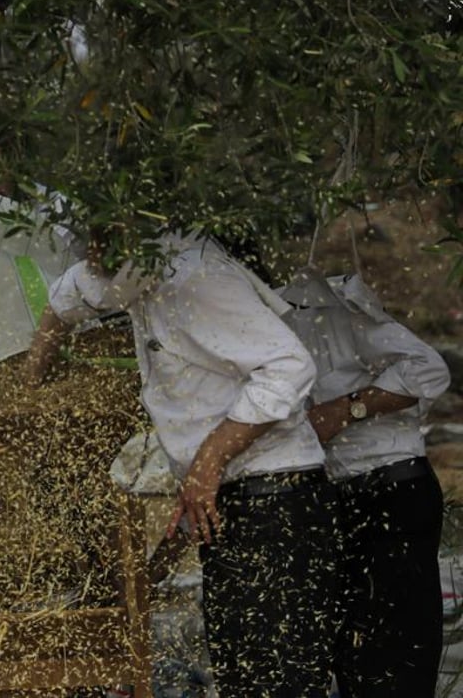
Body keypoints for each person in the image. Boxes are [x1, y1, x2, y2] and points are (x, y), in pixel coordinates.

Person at [26, 231, 338, 697]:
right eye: (87, 240)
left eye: (99, 236)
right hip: (233, 502)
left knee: (279, 681)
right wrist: (28, 383)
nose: (93, 252)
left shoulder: (194, 274)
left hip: (275, 505)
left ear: (134, 220)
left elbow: (290, 367)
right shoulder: (124, 271)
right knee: (242, 679)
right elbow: (73, 293)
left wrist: (208, 460)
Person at [282, 269, 451, 697]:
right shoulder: (272, 326)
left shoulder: (334, 312)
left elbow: (429, 370)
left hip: (391, 492)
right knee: (355, 655)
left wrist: (347, 409)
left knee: (400, 657)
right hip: (341, 498)